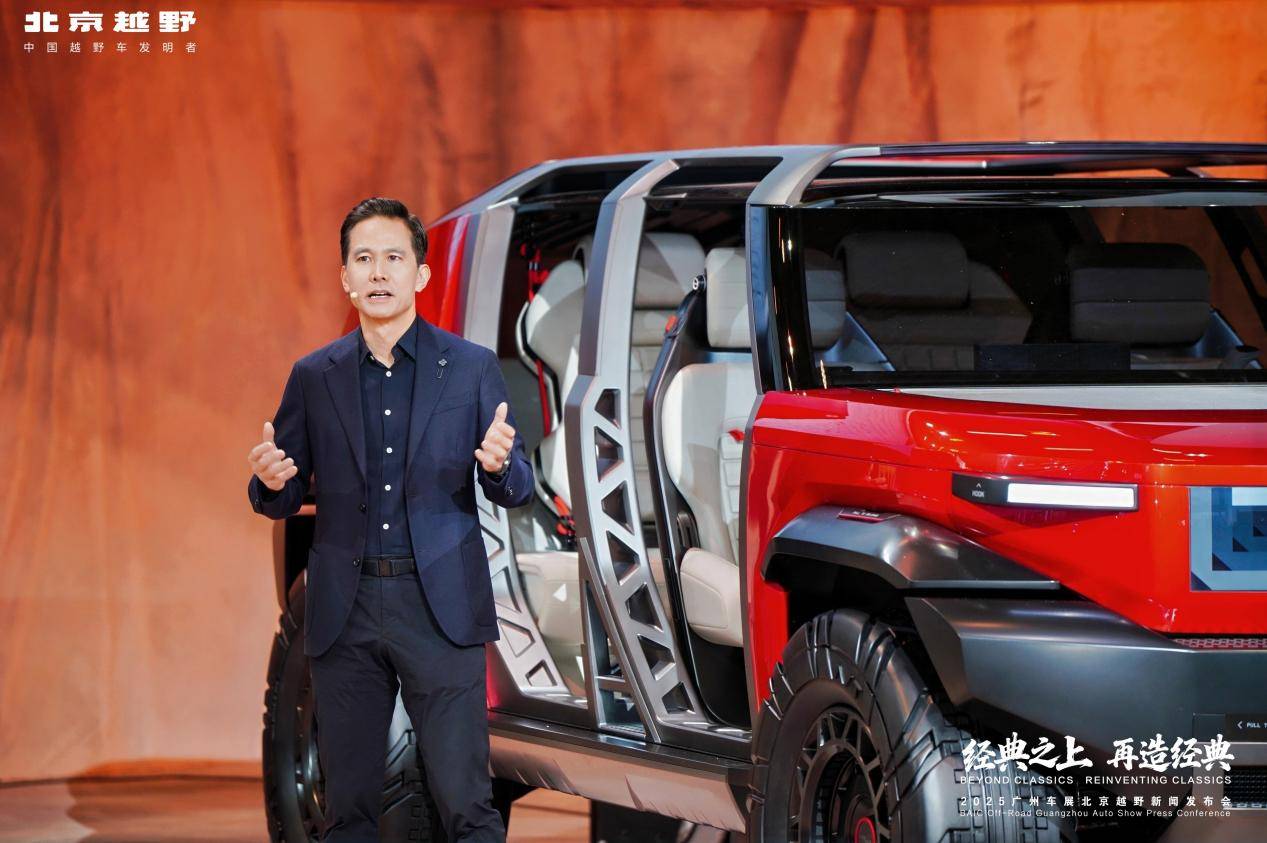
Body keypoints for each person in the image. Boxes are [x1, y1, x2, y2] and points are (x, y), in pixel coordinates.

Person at [246, 197, 532, 842]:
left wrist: (498, 466)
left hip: (440, 608)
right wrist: (270, 483)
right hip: (344, 609)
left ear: (420, 274)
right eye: (364, 259)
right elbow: (282, 494)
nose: (379, 272)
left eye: (394, 258)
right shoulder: (313, 376)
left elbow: (516, 485)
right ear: (346, 277)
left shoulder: (470, 367)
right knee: (348, 812)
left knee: (468, 807)